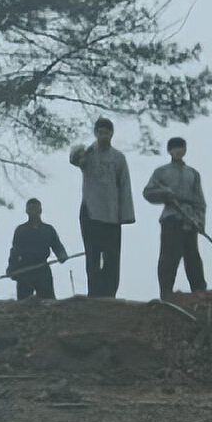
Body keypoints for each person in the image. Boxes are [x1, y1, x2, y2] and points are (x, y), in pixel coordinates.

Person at [70, 117, 135, 298]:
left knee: (112, 258)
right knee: (92, 256)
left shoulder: (118, 158)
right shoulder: (88, 154)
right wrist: (79, 150)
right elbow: (74, 159)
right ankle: (94, 294)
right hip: (90, 213)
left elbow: (125, 186)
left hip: (112, 215)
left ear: (112, 134)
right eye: (100, 132)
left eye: (106, 132)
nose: (103, 136)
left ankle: (110, 295)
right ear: (95, 133)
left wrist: (126, 215)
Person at [142, 137, 207, 299]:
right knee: (169, 257)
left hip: (190, 220)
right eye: (174, 148)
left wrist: (200, 221)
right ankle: (166, 293)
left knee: (193, 257)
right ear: (170, 151)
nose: (178, 151)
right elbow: (148, 193)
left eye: (181, 148)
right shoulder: (161, 172)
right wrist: (165, 194)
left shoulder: (193, 173)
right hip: (171, 218)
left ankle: (200, 292)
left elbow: (200, 201)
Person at [6, 198, 70, 300]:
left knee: (48, 302)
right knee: (24, 304)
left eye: (36, 208)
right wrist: (12, 268)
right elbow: (15, 252)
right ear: (27, 211)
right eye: (31, 209)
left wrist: (62, 255)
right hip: (25, 271)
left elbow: (57, 246)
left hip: (43, 269)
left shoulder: (48, 230)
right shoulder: (21, 230)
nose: (34, 211)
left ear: (40, 210)